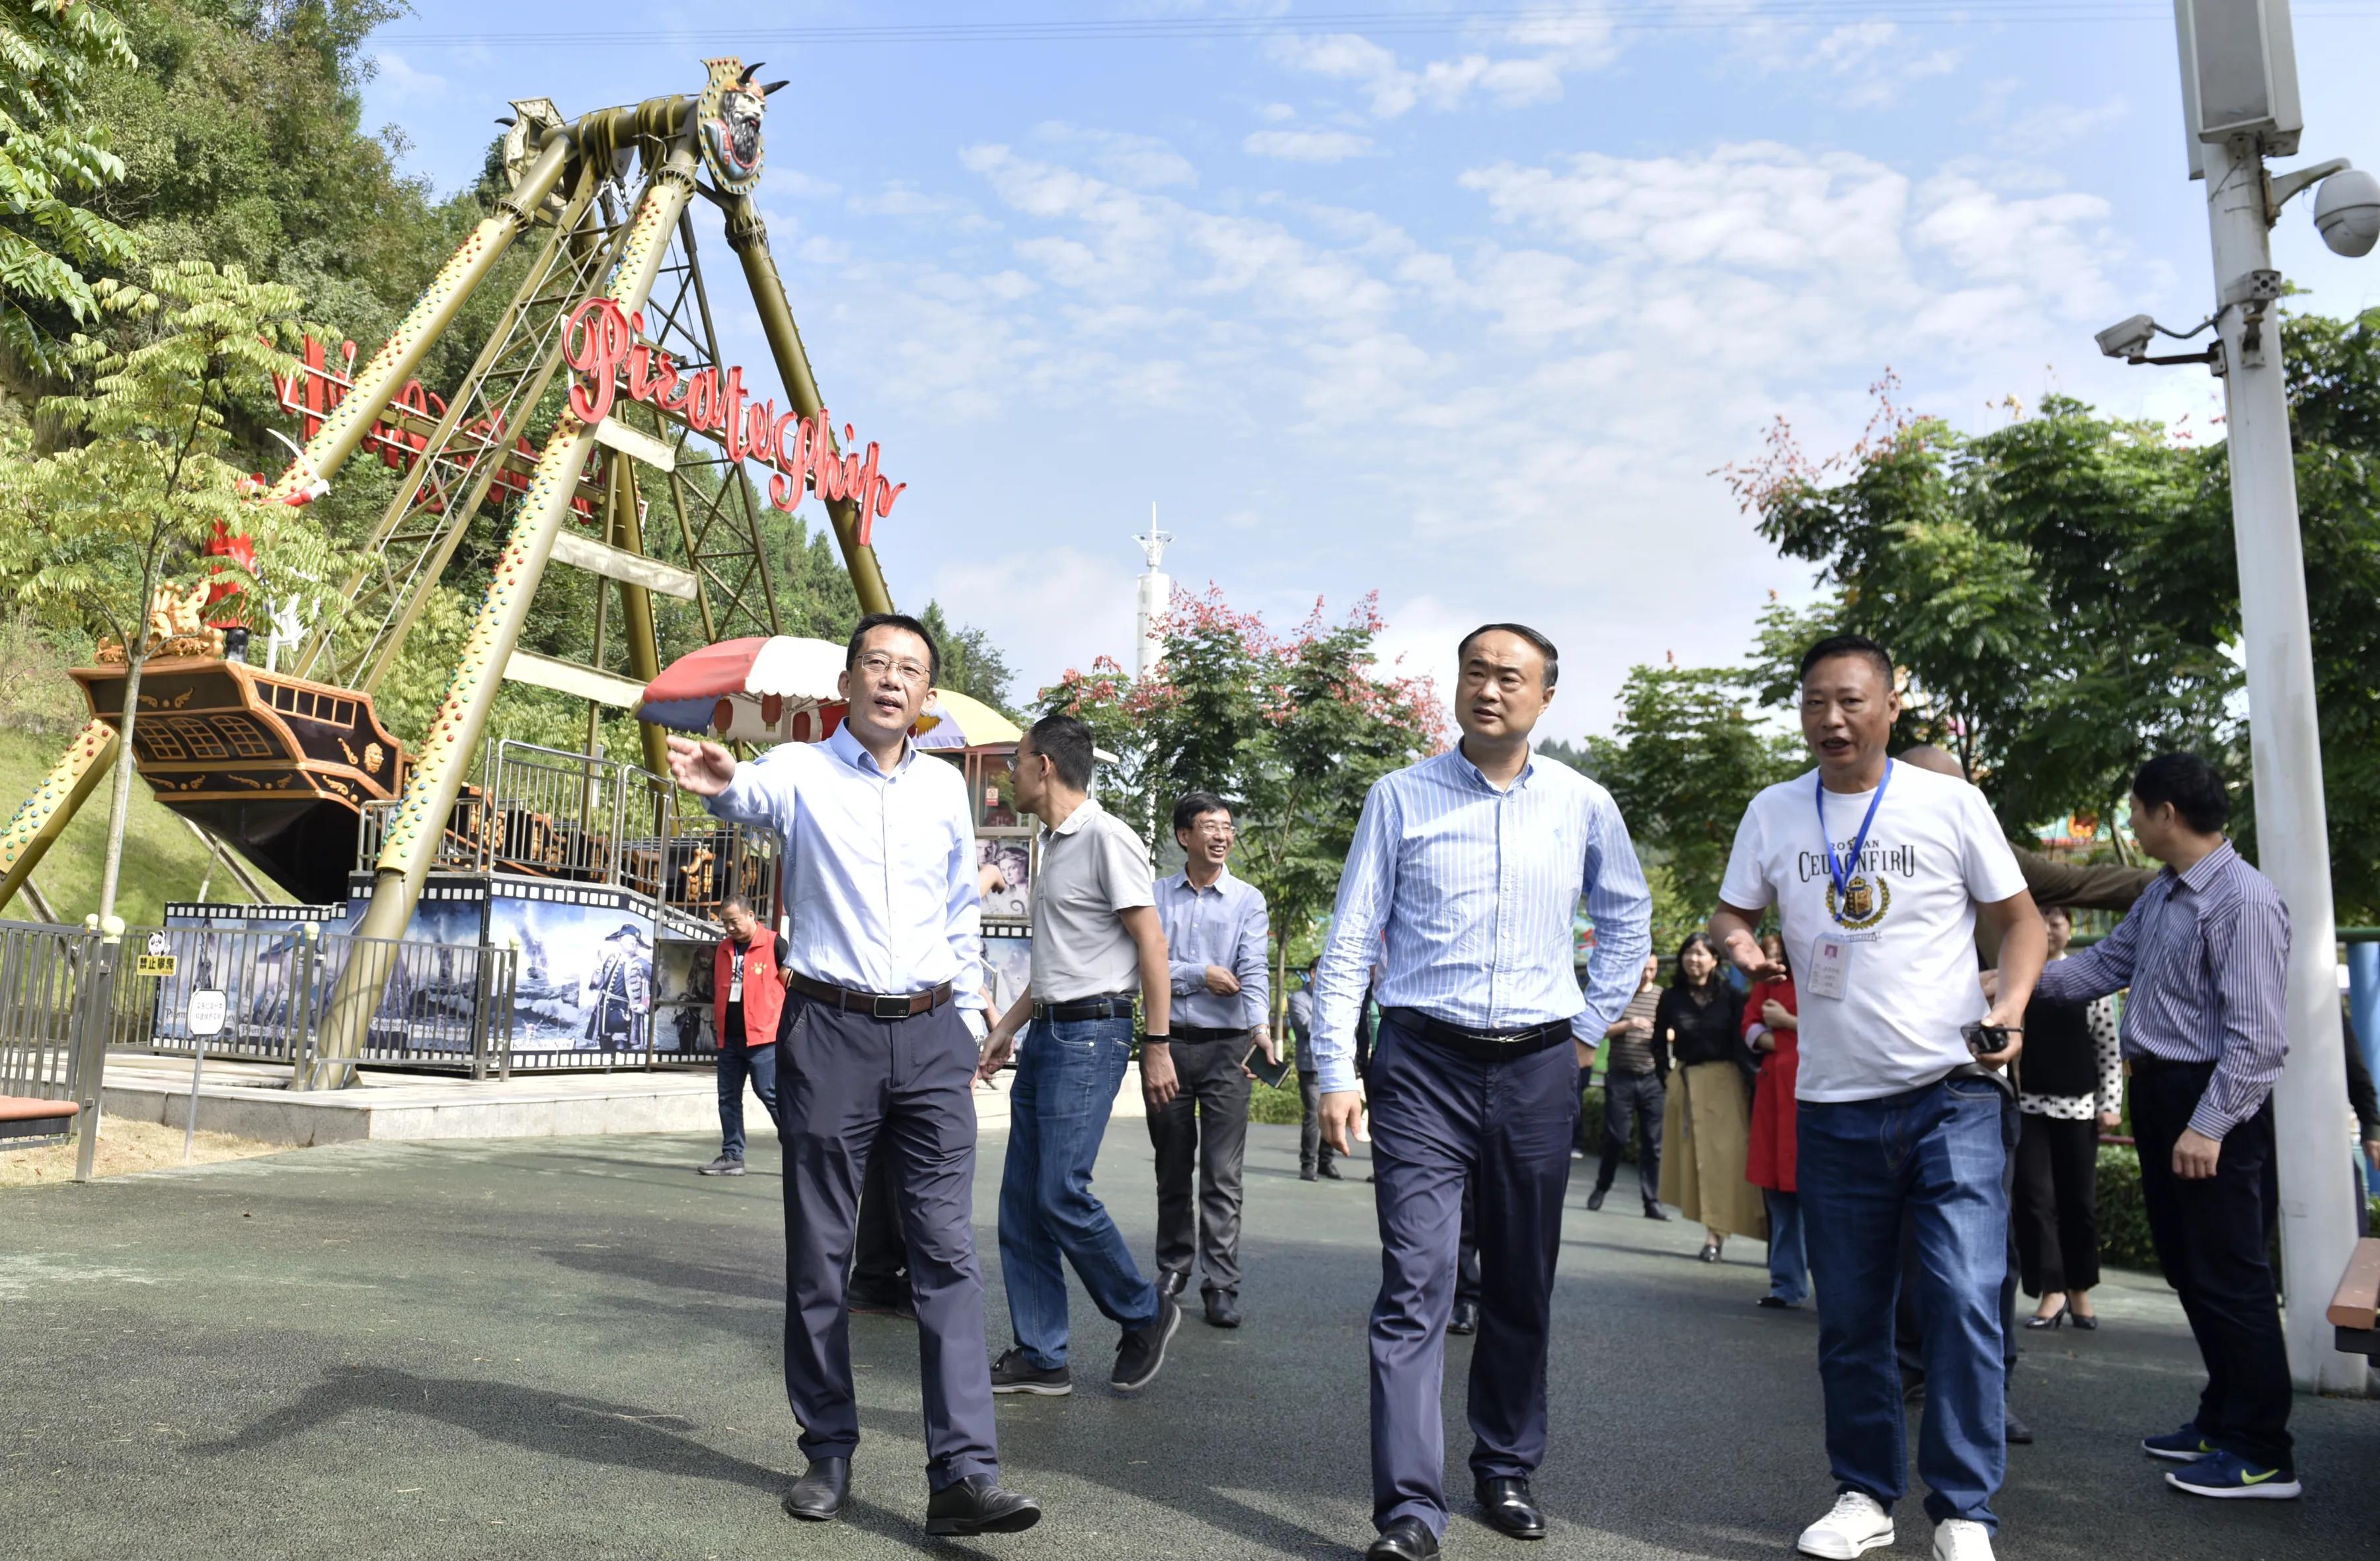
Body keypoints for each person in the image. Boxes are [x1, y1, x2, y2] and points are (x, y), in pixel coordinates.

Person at [666, 613, 1040, 1538]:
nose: (891, 680)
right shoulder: (798, 771)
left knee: (946, 1251)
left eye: (910, 670)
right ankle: (827, 1449)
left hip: (930, 1035)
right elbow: (743, 790)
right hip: (828, 1030)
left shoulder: (946, 790)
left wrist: (964, 1017)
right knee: (823, 1251)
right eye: (877, 663)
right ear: (849, 680)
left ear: (926, 697)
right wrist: (719, 786)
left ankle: (963, 1472)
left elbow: (960, 909)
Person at [1312, 622, 1652, 1561]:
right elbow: (1351, 938)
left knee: (1517, 1280)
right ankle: (1409, 1510)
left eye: (1511, 677)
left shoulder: (1583, 805)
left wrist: (1586, 1030)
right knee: (1414, 1283)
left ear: (1545, 697)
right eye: (1475, 672)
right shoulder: (1400, 796)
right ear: (1455, 686)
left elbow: (1628, 922)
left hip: (1538, 1066)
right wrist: (1336, 1067)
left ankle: (1504, 1461)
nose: (1489, 689)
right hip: (1421, 1065)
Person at [1712, 633, 2044, 1561]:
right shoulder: (1775, 812)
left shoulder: (1948, 802)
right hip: (1834, 1104)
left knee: (1962, 1299)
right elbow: (1731, 911)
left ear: (1892, 706)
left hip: (1953, 1094)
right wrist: (1742, 945)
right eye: (1815, 701)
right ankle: (1862, 1494)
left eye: (1851, 699)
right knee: (1850, 1315)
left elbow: (2019, 923)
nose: (1831, 718)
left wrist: (2010, 1005)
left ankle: (1965, 1511)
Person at [2015, 752, 2299, 1501]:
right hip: (2162, 1097)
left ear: (2165, 812)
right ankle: (2221, 1416)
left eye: (2136, 809)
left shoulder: (2242, 898)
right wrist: (2007, 986)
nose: (2132, 822)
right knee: (2187, 1266)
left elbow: (2259, 1038)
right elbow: (2100, 966)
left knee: (2232, 1274)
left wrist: (2208, 1126)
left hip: (2211, 1105)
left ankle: (2263, 1450)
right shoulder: (2165, 894)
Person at [976, 713, 1183, 1398]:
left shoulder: (1105, 837)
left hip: (1093, 1034)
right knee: (1021, 1203)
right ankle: (1041, 1352)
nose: (1009, 771)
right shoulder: (1054, 844)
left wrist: (1156, 1043)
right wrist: (1007, 1025)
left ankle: (1145, 1311)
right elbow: (1064, 960)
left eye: (1016, 759)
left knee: (1061, 1191)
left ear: (1046, 767)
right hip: (1049, 1032)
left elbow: (1150, 945)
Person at [1149, 790, 1275, 1328]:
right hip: (1167, 1046)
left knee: (1222, 1174)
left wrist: (1262, 1031)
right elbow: (1143, 963)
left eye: (1227, 826)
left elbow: (1253, 970)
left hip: (1228, 1051)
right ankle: (1173, 1269)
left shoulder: (1249, 900)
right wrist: (1199, 973)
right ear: (1184, 836)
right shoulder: (1154, 896)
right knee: (1172, 1168)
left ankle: (1220, 1283)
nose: (1222, 835)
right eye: (1209, 826)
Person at [2012, 905, 2121, 1330]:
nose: (2047, 930)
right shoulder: (2020, 977)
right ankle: (2051, 1290)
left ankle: (2080, 1290)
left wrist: (2111, 1104)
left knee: (2080, 1201)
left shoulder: (2089, 982)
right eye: (2039, 923)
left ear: (2069, 930)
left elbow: (2109, 1050)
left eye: (2055, 923)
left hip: (2079, 1106)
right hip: (2030, 1106)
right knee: (2035, 1199)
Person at [1655, 932, 1759, 1262]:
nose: (1693, 959)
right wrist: (1667, 1080)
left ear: (1716, 960)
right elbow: (1657, 1043)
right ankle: (1713, 1234)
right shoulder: (1671, 997)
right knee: (1695, 1163)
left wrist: (1752, 1084)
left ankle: (1722, 1234)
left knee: (1725, 1162)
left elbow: (1743, 1044)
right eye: (1688, 953)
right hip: (1686, 1082)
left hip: (1726, 1081)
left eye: (1701, 953)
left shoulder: (1732, 996)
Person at [699, 894, 787, 1178]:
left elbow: (791, 987)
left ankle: (801, 1150)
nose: (729, 928)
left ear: (751, 916)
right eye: (725, 923)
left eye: (734, 922)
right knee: (728, 1098)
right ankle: (732, 1156)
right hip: (730, 1039)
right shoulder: (724, 948)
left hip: (764, 1038)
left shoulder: (775, 944)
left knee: (770, 1094)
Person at [1744, 932, 1807, 1309]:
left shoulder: (1829, 974)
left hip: (1814, 1091)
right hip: (1774, 1095)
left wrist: (1785, 1023)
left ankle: (1838, 1289)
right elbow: (1750, 1026)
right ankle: (1786, 1284)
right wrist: (1791, 1035)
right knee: (1780, 1198)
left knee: (1823, 1200)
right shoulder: (1768, 983)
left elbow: (1839, 1028)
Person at [1588, 953, 1668, 1219]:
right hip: (1621, 1077)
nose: (1648, 974)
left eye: (1653, 969)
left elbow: (1676, 1029)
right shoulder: (1621, 994)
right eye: (1644, 968)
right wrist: (1629, 1025)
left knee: (1653, 1143)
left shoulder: (1662, 997)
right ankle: (1602, 1186)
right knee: (1617, 1137)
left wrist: (1660, 1032)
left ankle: (1651, 1201)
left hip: (1652, 1078)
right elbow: (1601, 1029)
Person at [1289, 967, 1341, 1181]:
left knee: (1334, 1114)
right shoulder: (1298, 999)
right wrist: (1335, 1022)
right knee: (1313, 1114)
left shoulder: (1335, 995)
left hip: (1332, 1065)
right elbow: (1307, 1026)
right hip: (1310, 1066)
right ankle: (1308, 1164)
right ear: (1312, 973)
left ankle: (1326, 1162)